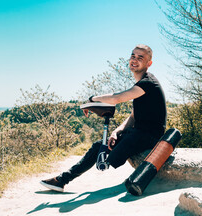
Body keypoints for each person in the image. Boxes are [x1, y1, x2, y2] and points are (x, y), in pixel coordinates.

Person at [40, 44, 167, 192]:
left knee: (105, 151)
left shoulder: (148, 83)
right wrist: (116, 131)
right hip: (139, 133)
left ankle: (62, 180)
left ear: (148, 63)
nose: (135, 60)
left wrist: (92, 99)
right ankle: (62, 180)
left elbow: (117, 98)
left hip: (149, 137)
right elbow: (133, 115)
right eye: (133, 56)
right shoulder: (142, 83)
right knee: (100, 146)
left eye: (140, 58)